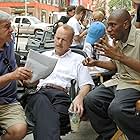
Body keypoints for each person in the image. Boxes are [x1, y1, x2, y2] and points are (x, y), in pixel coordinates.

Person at [26, 24, 94, 140]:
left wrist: (79, 97)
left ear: (71, 41)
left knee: (45, 117)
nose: (59, 42)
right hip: (40, 93)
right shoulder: (43, 56)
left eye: (64, 40)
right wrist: (29, 81)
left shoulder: (78, 59)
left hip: (61, 96)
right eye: (57, 38)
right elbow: (30, 83)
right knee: (44, 106)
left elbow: (86, 84)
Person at [83, 9, 140, 140]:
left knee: (117, 109)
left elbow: (119, 59)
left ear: (125, 25)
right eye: (108, 25)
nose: (108, 29)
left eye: (112, 25)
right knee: (90, 100)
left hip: (135, 83)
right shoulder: (117, 39)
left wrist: (120, 56)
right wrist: (95, 62)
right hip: (119, 81)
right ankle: (112, 135)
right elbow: (115, 65)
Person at [0, 10, 32, 140]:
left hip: (8, 102)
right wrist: (13, 76)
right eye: (7, 27)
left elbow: (12, 68)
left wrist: (23, 77)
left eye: (11, 25)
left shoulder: (9, 43)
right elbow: (11, 74)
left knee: (19, 130)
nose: (12, 30)